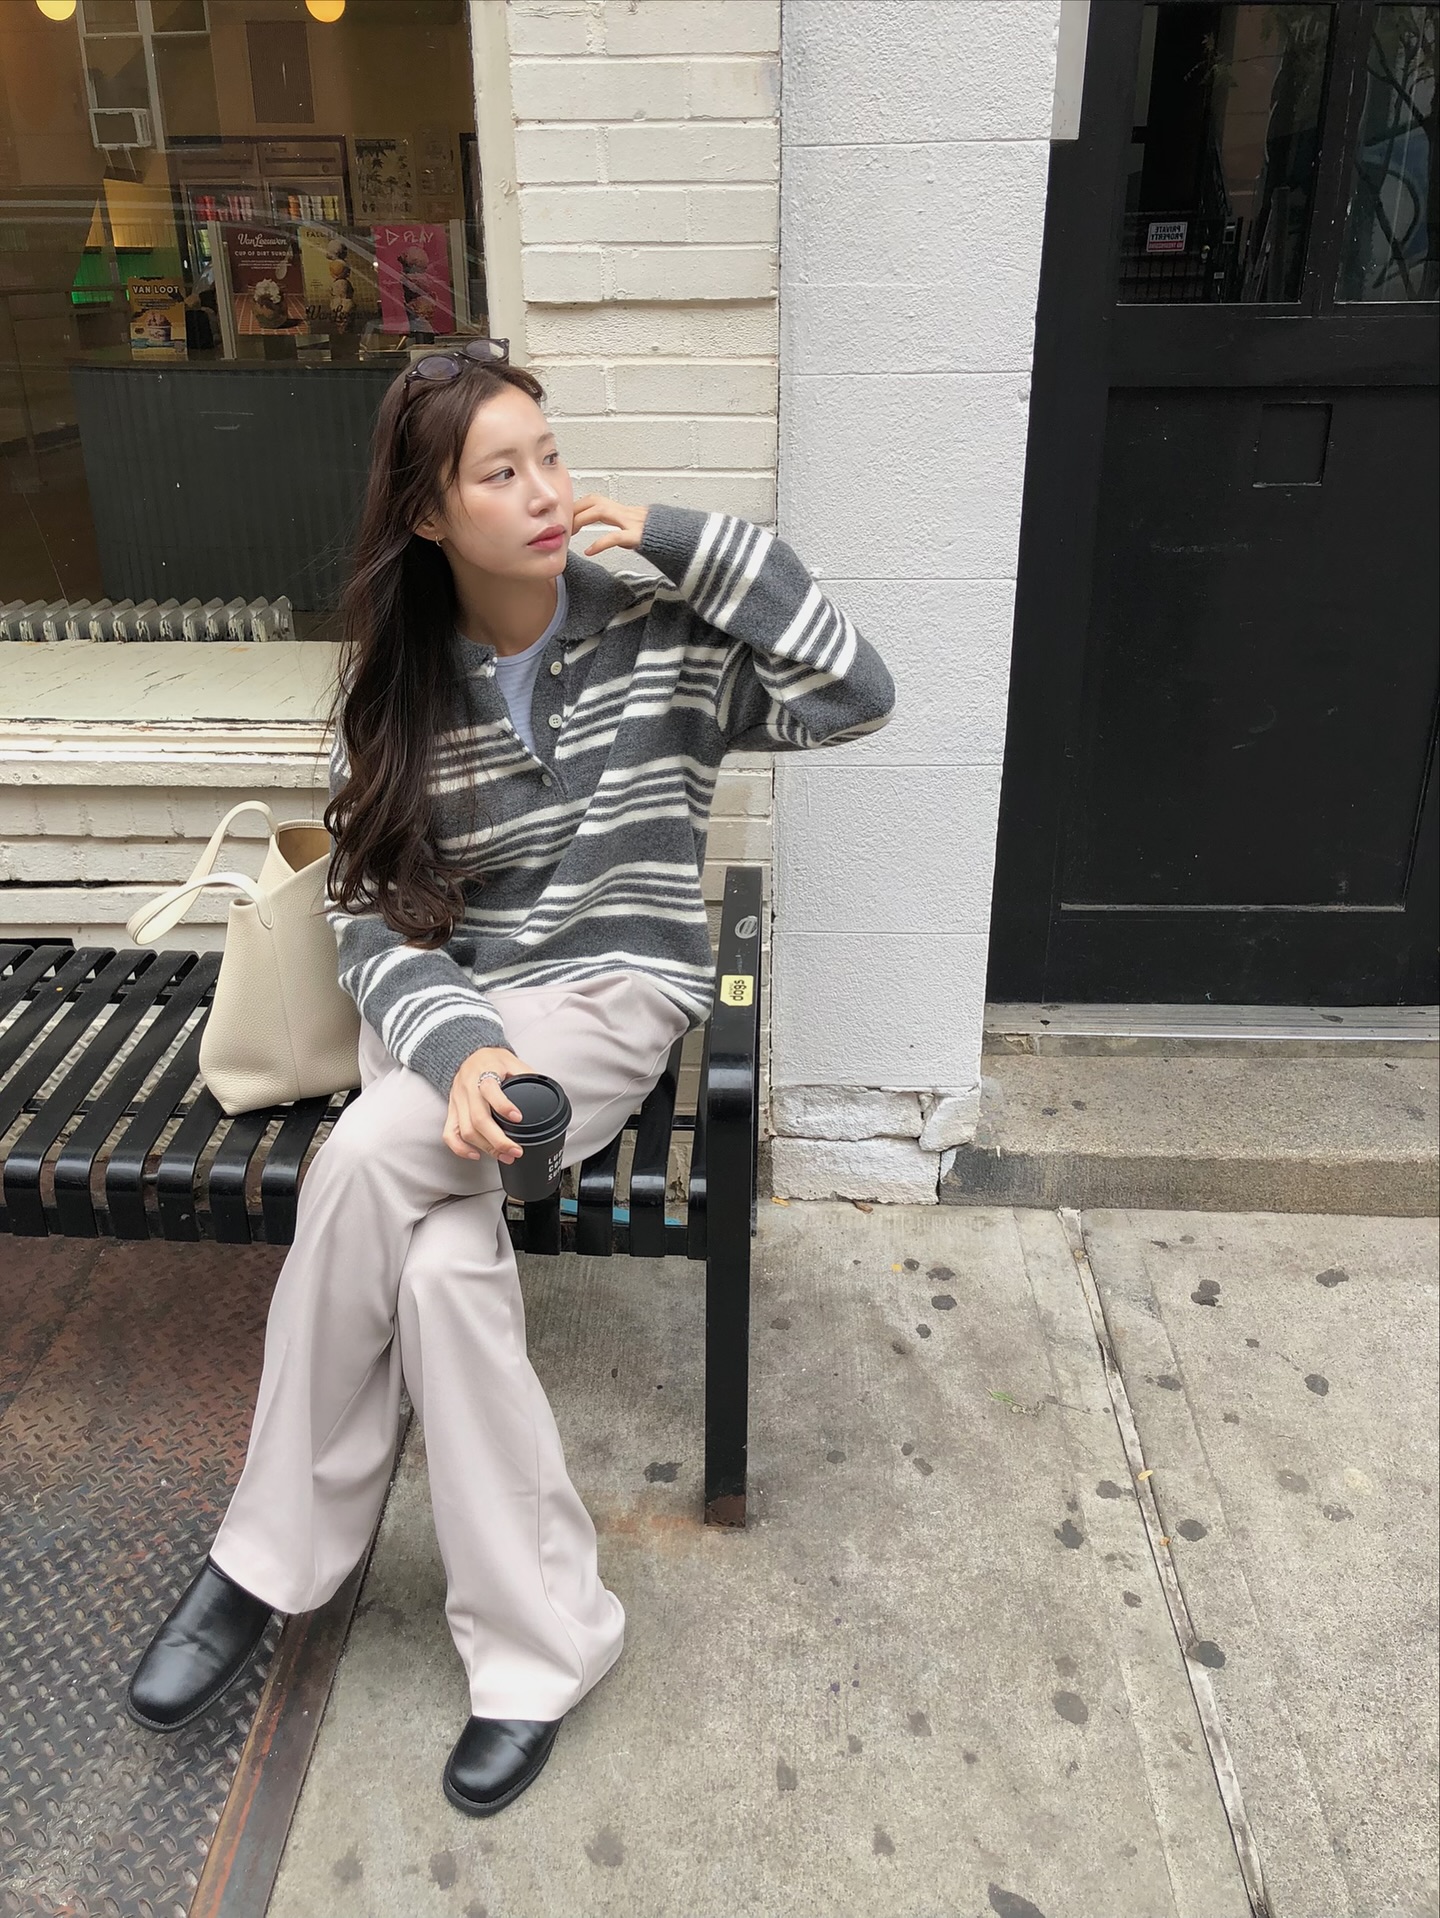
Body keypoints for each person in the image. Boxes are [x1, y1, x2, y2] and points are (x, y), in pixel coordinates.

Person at [124, 338, 897, 1816]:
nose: (545, 492)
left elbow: (855, 690)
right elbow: (368, 915)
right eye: (501, 472)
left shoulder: (661, 632)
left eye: (549, 456)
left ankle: (263, 1561)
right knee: (435, 1272)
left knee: (365, 1157)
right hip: (454, 1028)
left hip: (607, 1000)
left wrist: (686, 536)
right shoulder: (396, 688)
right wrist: (463, 1044)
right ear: (429, 514)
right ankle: (543, 1647)